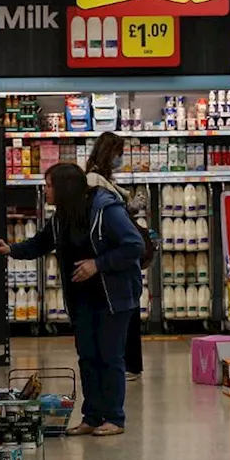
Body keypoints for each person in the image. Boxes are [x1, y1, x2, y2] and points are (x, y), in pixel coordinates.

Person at [0, 163, 145, 436]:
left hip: (112, 297)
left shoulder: (106, 210)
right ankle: (92, 417)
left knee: (109, 357)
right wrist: (10, 249)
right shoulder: (63, 215)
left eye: (48, 185)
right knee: (87, 357)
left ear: (65, 187)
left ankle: (115, 419)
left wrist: (98, 264)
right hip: (81, 298)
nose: (45, 190)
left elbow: (134, 245)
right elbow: (40, 243)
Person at [85, 133, 153, 382]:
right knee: (126, 311)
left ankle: (130, 365)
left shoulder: (102, 178)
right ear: (109, 153)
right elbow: (109, 213)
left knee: (129, 310)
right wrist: (130, 207)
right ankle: (128, 364)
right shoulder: (95, 179)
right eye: (119, 153)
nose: (120, 158)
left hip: (118, 256)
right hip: (115, 256)